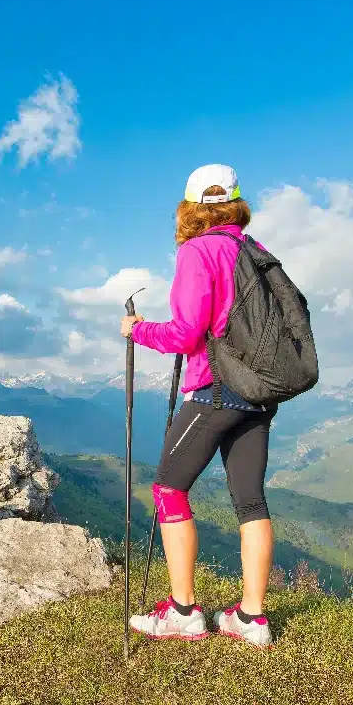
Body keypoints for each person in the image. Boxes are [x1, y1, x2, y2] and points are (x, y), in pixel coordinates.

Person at [119, 164, 275, 647]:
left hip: (215, 389)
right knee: (251, 500)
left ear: (189, 208)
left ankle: (184, 613)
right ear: (236, 202)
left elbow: (187, 334)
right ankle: (251, 618)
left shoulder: (198, 251)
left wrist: (139, 330)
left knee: (168, 489)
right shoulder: (256, 252)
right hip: (259, 391)